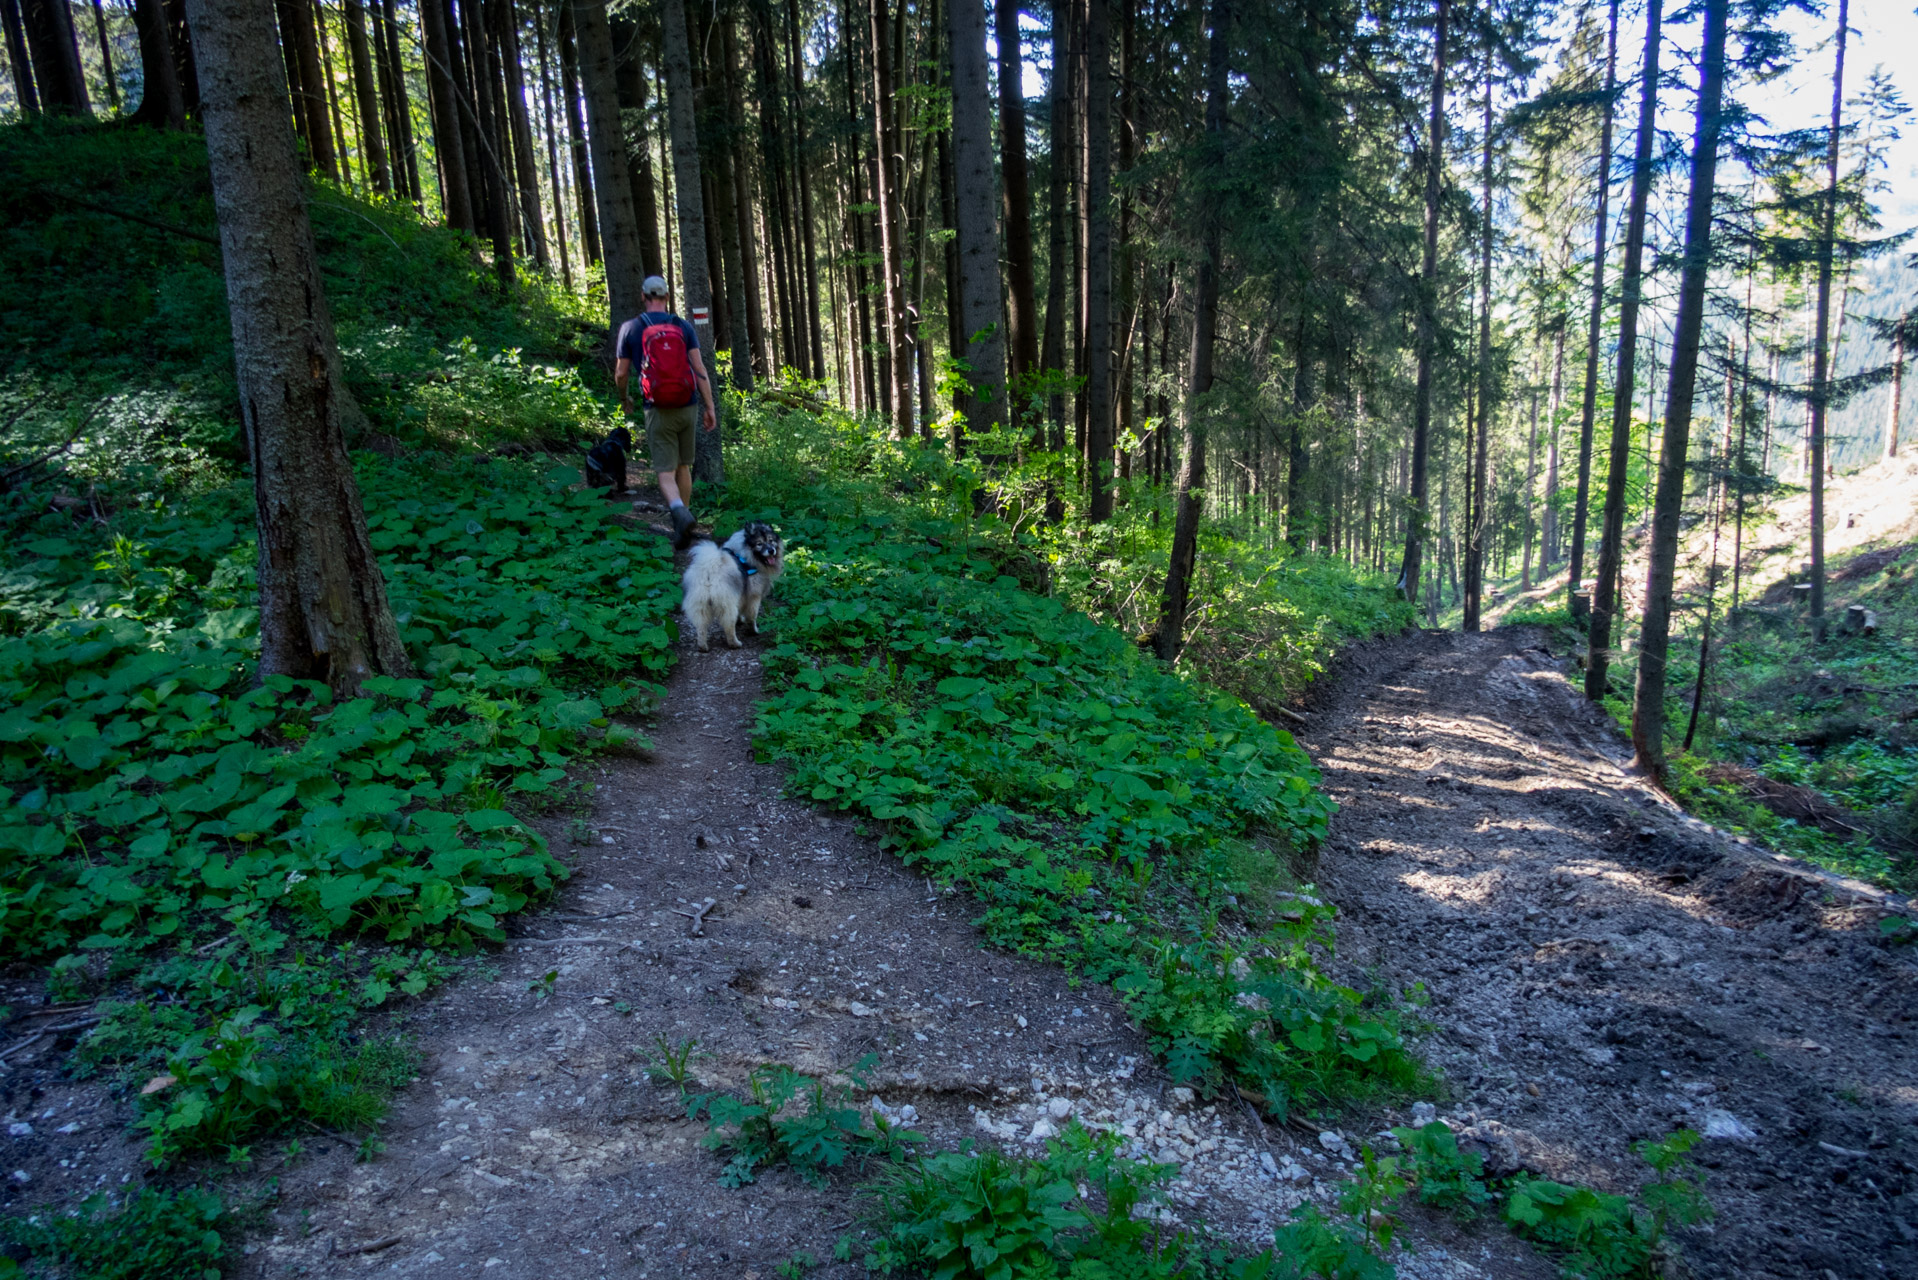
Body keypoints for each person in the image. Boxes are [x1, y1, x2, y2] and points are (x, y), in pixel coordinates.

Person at [614, 276, 718, 549]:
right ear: (667, 297)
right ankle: (683, 519)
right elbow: (699, 369)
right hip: (688, 404)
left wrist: (624, 398)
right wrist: (710, 407)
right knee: (683, 465)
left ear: (643, 296)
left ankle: (679, 513)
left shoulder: (631, 328)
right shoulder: (682, 326)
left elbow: (621, 372)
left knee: (664, 471)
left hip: (657, 407)